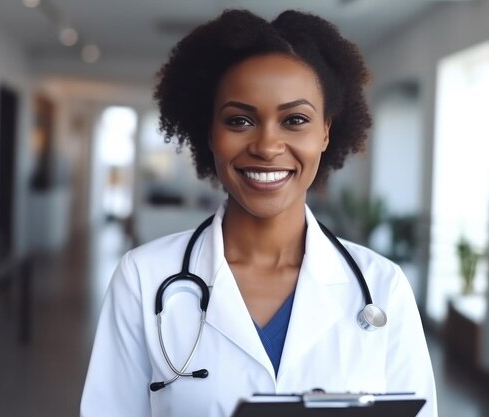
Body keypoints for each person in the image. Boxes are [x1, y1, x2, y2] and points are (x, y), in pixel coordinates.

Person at [81, 9, 437, 417]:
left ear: (325, 132)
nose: (267, 146)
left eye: (295, 120)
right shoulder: (143, 279)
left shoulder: (383, 287)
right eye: (240, 120)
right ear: (209, 131)